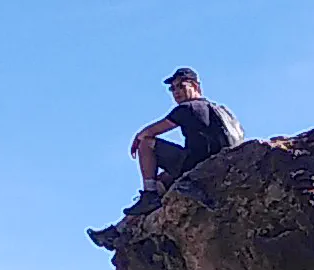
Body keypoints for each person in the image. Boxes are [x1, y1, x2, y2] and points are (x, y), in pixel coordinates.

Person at [90, 71, 243, 245]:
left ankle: (148, 194)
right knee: (162, 182)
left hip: (197, 164)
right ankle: (118, 230)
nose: (176, 92)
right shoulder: (218, 109)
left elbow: (149, 133)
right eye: (172, 89)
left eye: (181, 86)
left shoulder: (189, 108)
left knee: (146, 144)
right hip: (218, 162)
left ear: (195, 86)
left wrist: (137, 138)